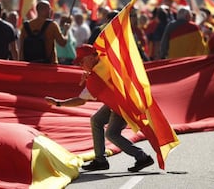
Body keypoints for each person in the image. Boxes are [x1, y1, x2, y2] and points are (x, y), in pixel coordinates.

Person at [45, 44, 154, 172]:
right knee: (96, 120)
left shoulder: (96, 78)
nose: (80, 65)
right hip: (120, 100)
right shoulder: (105, 59)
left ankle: (142, 157)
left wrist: (58, 103)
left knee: (112, 134)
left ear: (91, 57)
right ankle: (100, 160)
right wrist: (89, 74)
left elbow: (80, 101)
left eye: (81, 61)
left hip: (123, 105)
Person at [19, 0, 70, 64]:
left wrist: (21, 63)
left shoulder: (26, 26)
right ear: (43, 10)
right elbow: (62, 43)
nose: (51, 11)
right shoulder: (52, 25)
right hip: (49, 65)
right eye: (49, 9)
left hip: (29, 64)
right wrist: (66, 31)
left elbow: (21, 48)